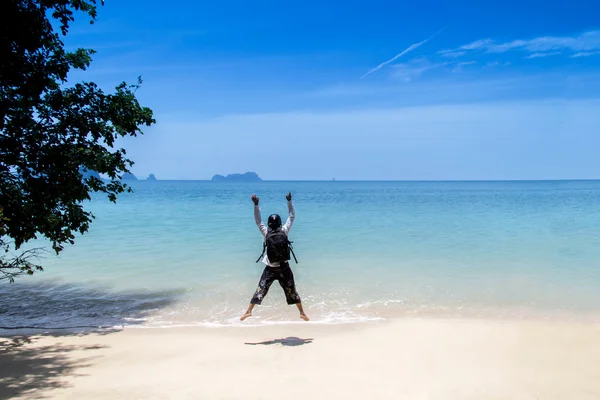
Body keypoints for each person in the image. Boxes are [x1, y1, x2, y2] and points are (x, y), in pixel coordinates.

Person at [240, 191, 309, 321]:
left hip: (270, 268)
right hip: (284, 268)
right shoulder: (284, 230)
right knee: (292, 291)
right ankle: (302, 313)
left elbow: (258, 221)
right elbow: (292, 216)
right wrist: (289, 201)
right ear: (279, 223)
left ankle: (249, 311)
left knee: (260, 290)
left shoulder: (266, 232)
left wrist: (256, 205)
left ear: (269, 224)